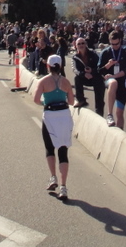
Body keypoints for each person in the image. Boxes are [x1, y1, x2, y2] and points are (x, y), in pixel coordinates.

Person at [33, 54, 75, 201]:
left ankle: (53, 178)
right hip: (64, 115)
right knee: (63, 151)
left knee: (49, 148)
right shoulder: (66, 82)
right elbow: (71, 101)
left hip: (50, 115)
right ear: (61, 66)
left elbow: (36, 99)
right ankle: (63, 186)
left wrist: (46, 103)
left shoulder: (43, 81)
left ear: (48, 66)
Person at [98, 30, 126, 129]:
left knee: (119, 112)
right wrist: (108, 65)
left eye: (117, 44)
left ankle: (120, 131)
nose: (115, 46)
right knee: (113, 83)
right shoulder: (105, 52)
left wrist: (115, 76)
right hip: (110, 80)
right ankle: (109, 114)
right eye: (112, 44)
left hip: (122, 83)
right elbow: (99, 70)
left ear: (120, 41)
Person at [71, 37, 105, 116]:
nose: (81, 45)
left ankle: (99, 110)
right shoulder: (75, 57)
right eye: (79, 44)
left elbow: (100, 66)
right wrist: (84, 74)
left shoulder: (93, 53)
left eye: (83, 43)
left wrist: (92, 71)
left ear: (86, 44)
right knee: (76, 78)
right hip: (84, 77)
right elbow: (74, 69)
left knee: (99, 83)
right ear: (76, 46)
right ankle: (81, 100)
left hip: (95, 76)